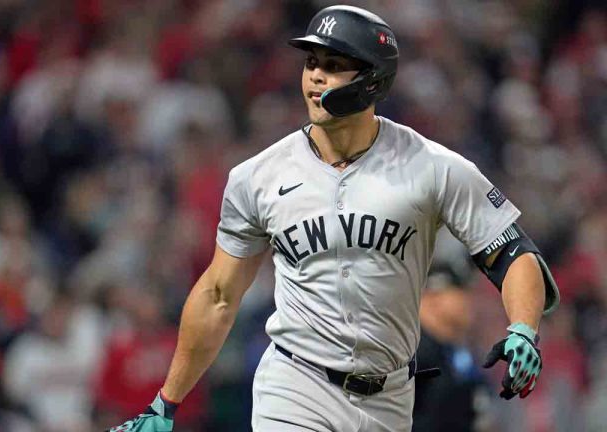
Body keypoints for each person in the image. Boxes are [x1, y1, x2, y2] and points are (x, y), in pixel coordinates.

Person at [106, 5, 560, 432]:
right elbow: (219, 294)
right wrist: (165, 402)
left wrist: (523, 327)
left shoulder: (432, 166)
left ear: (373, 80)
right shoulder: (258, 176)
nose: (316, 76)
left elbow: (513, 251)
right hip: (294, 383)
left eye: (334, 63)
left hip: (390, 397)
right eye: (311, 63)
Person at [412, 246, 493, 432]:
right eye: (460, 291)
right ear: (434, 296)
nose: (470, 301)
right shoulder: (412, 354)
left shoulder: (457, 353)